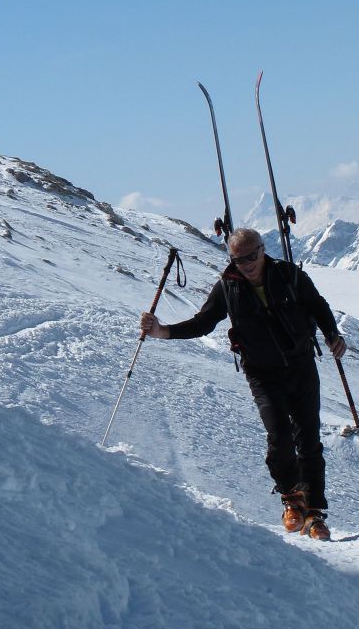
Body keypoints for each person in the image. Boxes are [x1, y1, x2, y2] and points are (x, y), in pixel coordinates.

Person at [140, 226, 346, 540]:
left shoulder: (289, 275)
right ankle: (293, 500)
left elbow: (318, 306)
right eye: (239, 259)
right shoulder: (228, 286)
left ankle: (315, 514)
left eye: (252, 256)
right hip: (262, 373)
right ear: (232, 259)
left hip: (302, 366)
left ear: (263, 250)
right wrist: (163, 332)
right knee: (279, 436)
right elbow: (204, 322)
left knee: (308, 439)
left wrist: (333, 334)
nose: (247, 263)